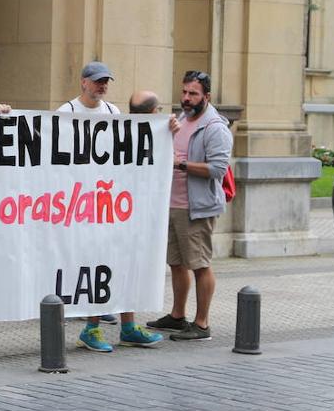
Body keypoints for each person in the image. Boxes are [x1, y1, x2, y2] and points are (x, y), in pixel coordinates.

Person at [57, 63, 162, 351]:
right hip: (82, 205)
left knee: (124, 261)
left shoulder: (113, 113)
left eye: (105, 81)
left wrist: (165, 130)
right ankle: (92, 328)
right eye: (97, 81)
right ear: (83, 83)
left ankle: (128, 325)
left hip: (112, 203)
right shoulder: (66, 112)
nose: (102, 86)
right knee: (95, 264)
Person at [149, 71, 233, 342]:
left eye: (193, 94)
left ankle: (202, 324)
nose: (186, 98)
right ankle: (177, 316)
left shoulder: (215, 128)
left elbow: (218, 169)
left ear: (206, 96)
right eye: (184, 92)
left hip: (196, 208)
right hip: (172, 204)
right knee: (176, 263)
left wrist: (181, 164)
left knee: (199, 264)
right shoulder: (182, 120)